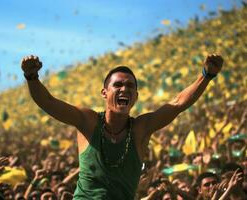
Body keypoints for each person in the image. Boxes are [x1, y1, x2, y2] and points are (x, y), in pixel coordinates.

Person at [21, 53, 224, 199]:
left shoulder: (140, 128)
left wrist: (206, 75)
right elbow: (48, 102)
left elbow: (178, 103)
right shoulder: (88, 121)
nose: (124, 89)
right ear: (104, 93)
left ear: (136, 96)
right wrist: (32, 78)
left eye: (130, 86)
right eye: (117, 85)